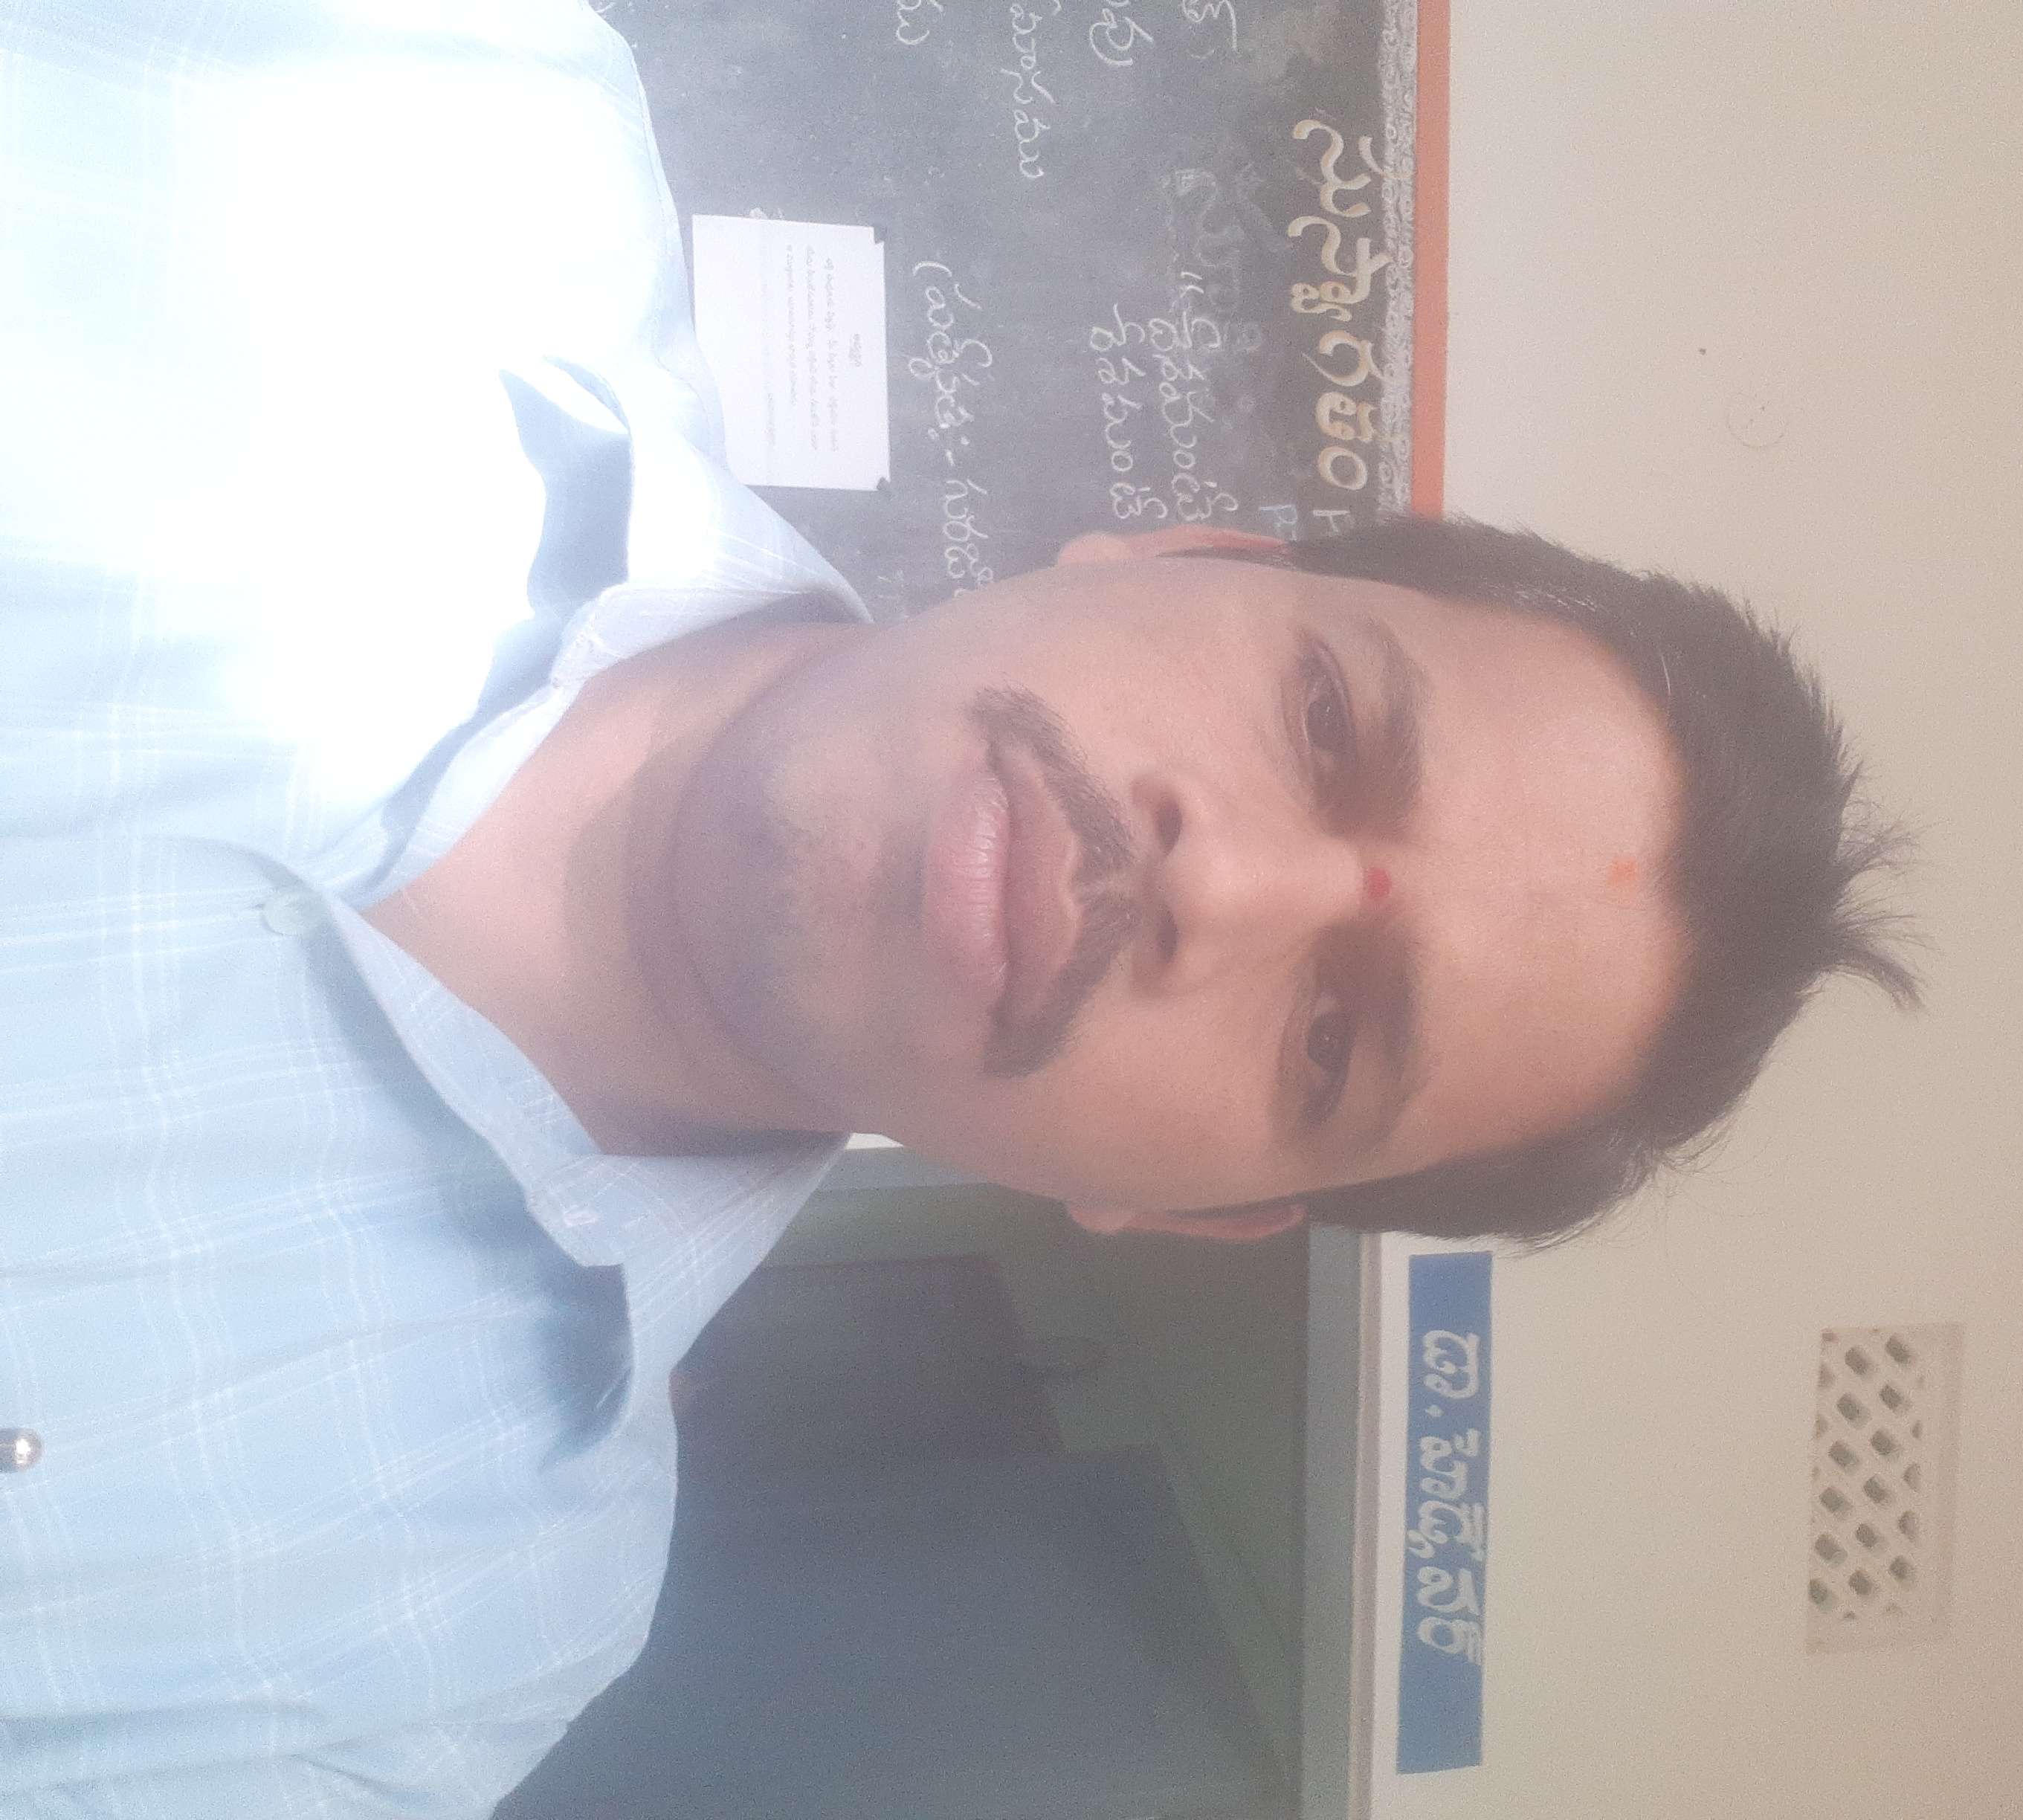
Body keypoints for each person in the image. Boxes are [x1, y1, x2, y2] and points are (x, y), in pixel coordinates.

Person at [0, 1, 1911, 1813]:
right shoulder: (412, 92)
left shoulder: (412, 1661)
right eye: (1328, 721)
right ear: (1175, 551)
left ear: (1188, 1213)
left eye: (1334, 1035)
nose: (1220, 883)